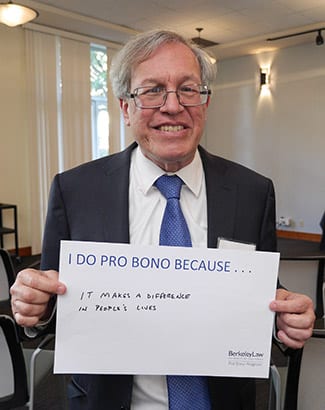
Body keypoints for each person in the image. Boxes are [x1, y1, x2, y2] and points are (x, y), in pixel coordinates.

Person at [10, 30, 315, 410]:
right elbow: (54, 303)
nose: (173, 107)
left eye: (188, 89)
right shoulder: (76, 190)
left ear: (205, 103)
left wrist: (286, 318)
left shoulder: (251, 192)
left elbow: (264, 295)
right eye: (152, 90)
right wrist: (37, 307)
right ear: (125, 108)